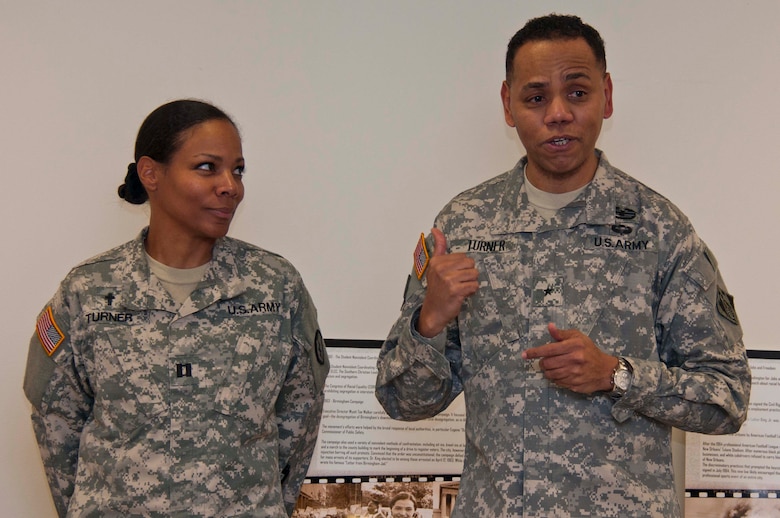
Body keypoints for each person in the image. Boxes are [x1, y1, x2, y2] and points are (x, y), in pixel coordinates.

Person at [375, 13, 751, 518]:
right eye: (535, 98)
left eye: (577, 93)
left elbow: (727, 397)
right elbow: (405, 400)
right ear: (508, 105)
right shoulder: (464, 225)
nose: (558, 113)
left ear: (607, 95)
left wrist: (614, 374)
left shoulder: (660, 230)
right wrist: (429, 322)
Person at [23, 99, 330, 517]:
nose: (230, 186)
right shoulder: (89, 291)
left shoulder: (275, 287)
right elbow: (55, 420)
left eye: (237, 170)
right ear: (151, 173)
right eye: (208, 167)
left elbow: (301, 412)